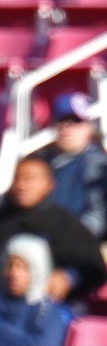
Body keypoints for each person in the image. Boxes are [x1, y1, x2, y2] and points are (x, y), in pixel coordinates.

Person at [0, 155, 107, 305]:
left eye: (30, 179)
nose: (22, 185)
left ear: (49, 185)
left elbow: (93, 269)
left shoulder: (67, 226)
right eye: (17, 178)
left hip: (47, 313)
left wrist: (69, 278)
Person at [38, 92, 107, 242]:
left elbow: (98, 217)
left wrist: (65, 238)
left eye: (75, 121)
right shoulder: (41, 162)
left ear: (89, 126)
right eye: (61, 120)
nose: (66, 127)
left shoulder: (97, 164)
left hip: (82, 245)